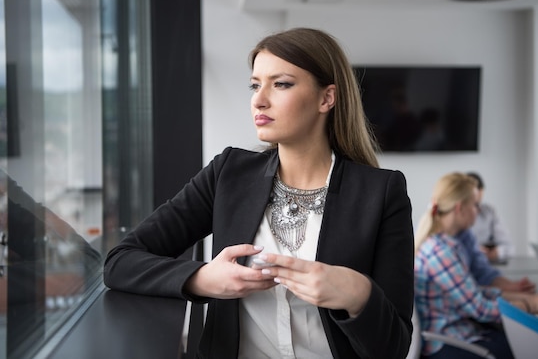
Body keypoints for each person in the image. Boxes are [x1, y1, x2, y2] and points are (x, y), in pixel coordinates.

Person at [103, 27, 415, 358]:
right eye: (255, 85)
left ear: (327, 98)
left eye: (281, 84)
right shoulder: (228, 173)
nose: (259, 99)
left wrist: (357, 294)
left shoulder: (382, 193)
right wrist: (202, 278)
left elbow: (393, 348)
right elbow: (120, 262)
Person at [414, 172, 538, 359]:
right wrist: (533, 304)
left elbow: (473, 292)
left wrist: (520, 296)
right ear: (460, 208)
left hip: (460, 333)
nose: (478, 211)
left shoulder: (446, 244)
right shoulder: (441, 253)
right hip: (450, 343)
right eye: (475, 205)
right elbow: (481, 309)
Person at [466, 171, 514, 263]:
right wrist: (472, 250)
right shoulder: (453, 217)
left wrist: (497, 252)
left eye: (476, 206)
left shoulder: (489, 212)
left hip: (485, 263)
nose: (475, 211)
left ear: (481, 191)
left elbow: (509, 247)